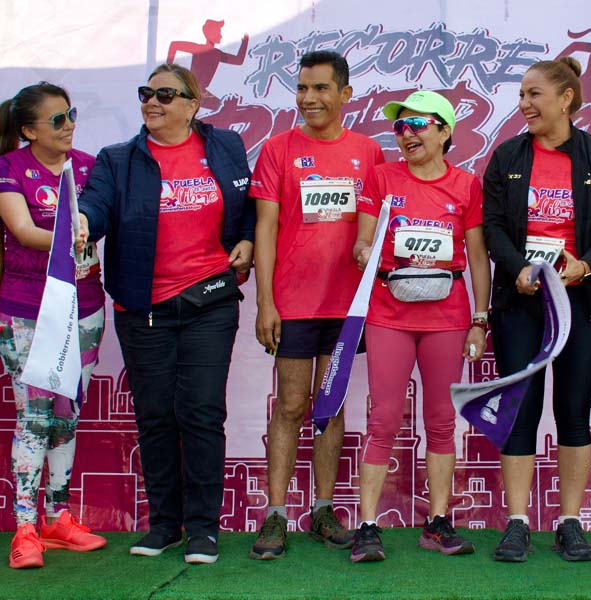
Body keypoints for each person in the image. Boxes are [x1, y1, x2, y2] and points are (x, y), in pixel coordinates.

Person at [77, 63, 255, 564]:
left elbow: (246, 208)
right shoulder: (118, 159)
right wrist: (83, 222)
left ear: (192, 104)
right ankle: (164, 525)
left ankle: (203, 528)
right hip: (143, 308)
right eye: (146, 93)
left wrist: (244, 241)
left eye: (165, 94)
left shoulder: (225, 147)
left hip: (210, 302)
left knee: (200, 412)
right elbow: (96, 204)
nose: (152, 102)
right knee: (155, 417)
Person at [482, 58, 591, 562]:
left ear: (566, 98)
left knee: (573, 410)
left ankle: (570, 522)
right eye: (522, 95)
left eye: (534, 94)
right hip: (520, 302)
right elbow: (494, 227)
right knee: (519, 408)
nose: (525, 104)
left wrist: (583, 267)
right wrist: (519, 266)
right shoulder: (506, 157)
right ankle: (518, 523)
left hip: (580, 303)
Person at [248, 50, 384, 560]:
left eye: (321, 88)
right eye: (302, 88)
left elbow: (374, 226)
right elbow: (264, 228)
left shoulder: (369, 152)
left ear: (345, 95)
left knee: (330, 409)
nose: (309, 99)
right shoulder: (278, 148)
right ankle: (276, 514)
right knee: (289, 405)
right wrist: (265, 301)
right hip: (293, 303)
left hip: (347, 308)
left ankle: (323, 509)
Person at [351, 90, 490, 562]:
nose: (407, 134)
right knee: (383, 418)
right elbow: (362, 241)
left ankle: (437, 522)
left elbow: (476, 259)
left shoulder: (467, 185)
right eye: (400, 127)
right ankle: (367, 525)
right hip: (389, 312)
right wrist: (365, 252)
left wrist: (479, 319)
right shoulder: (381, 177)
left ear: (445, 130)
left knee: (441, 421)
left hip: (446, 316)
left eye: (418, 125)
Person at [0, 82, 107, 569]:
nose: (69, 127)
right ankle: (24, 526)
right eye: (57, 120)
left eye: (72, 115)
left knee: (67, 412)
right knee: (35, 416)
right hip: (28, 308)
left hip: (84, 306)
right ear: (28, 130)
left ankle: (57, 517)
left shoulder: (88, 165)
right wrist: (72, 237)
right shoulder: (9, 168)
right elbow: (22, 230)